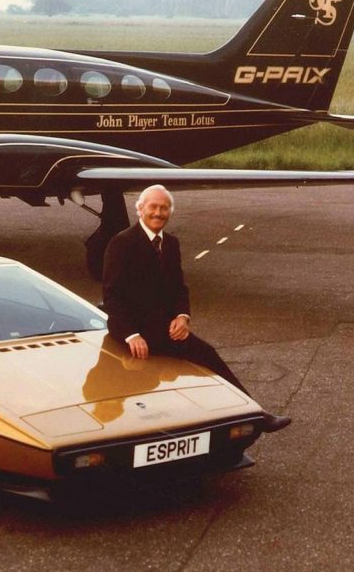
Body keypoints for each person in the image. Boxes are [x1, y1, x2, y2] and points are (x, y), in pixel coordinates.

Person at [102, 184, 291, 433]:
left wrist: (182, 316)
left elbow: (179, 288)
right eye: (153, 207)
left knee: (208, 357)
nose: (158, 213)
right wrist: (131, 334)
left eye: (164, 208)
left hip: (164, 329)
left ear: (170, 212)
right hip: (132, 329)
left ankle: (256, 415)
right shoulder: (121, 243)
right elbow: (111, 297)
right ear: (140, 209)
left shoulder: (171, 243)